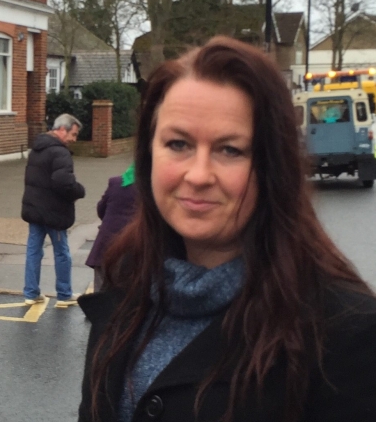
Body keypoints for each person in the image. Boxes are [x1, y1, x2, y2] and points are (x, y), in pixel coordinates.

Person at [78, 36, 376, 422]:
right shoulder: (126, 280)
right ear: (149, 154)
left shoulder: (344, 333)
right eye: (178, 143)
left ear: (273, 166)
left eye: (230, 150)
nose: (198, 175)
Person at [21, 113, 86, 308]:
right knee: (61, 252)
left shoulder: (37, 149)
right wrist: (79, 190)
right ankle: (64, 294)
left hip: (34, 209)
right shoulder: (60, 152)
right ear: (62, 130)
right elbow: (62, 181)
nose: (74, 140)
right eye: (73, 134)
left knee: (34, 251)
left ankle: (31, 293)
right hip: (53, 212)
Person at [85, 164, 137, 291]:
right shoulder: (151, 189)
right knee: (124, 299)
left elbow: (101, 209)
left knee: (99, 298)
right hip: (131, 252)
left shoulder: (116, 182)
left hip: (104, 248)